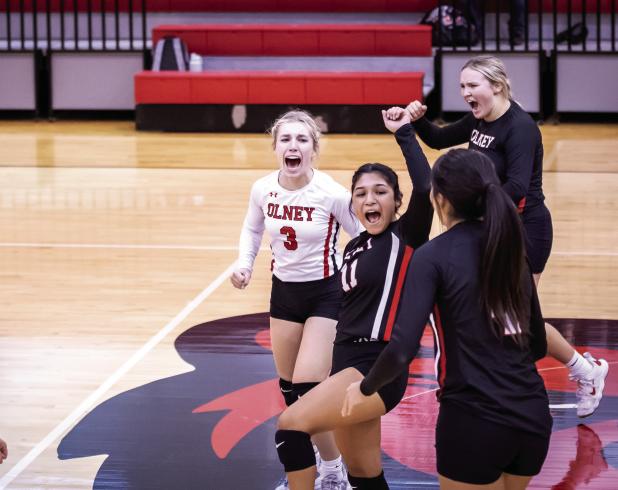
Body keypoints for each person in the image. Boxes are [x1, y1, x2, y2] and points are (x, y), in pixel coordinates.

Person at [405, 54, 608, 418]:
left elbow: (515, 187)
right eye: (462, 87)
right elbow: (438, 139)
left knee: (519, 318)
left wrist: (468, 203)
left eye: (472, 86)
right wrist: (416, 122)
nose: (465, 93)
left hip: (522, 230)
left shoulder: (520, 128)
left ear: (496, 86)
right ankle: (503, 387)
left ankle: (585, 371)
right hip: (486, 226)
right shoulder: (479, 119)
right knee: (494, 316)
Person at [343, 148, 553, 489]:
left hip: (473, 421)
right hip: (533, 416)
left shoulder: (432, 256)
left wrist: (365, 388)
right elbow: (537, 343)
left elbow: (402, 348)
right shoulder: (512, 247)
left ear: (439, 200)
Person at [274, 106, 433, 490]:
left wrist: (404, 133)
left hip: (374, 368)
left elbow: (425, 186)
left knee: (290, 427)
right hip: (345, 363)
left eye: (380, 192)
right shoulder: (355, 246)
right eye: (360, 194)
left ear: (397, 202)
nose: (369, 200)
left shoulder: (404, 236)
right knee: (363, 474)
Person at [231, 109, 362, 489]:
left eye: (302, 140)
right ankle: (319, 462)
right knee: (289, 388)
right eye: (286, 139)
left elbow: (360, 236)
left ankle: (334, 471)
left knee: (309, 385)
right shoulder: (262, 189)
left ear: (313, 149)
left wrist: (361, 282)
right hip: (284, 292)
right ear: (275, 147)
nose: (293, 146)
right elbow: (252, 229)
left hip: (326, 293)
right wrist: (244, 265)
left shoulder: (332, 193)